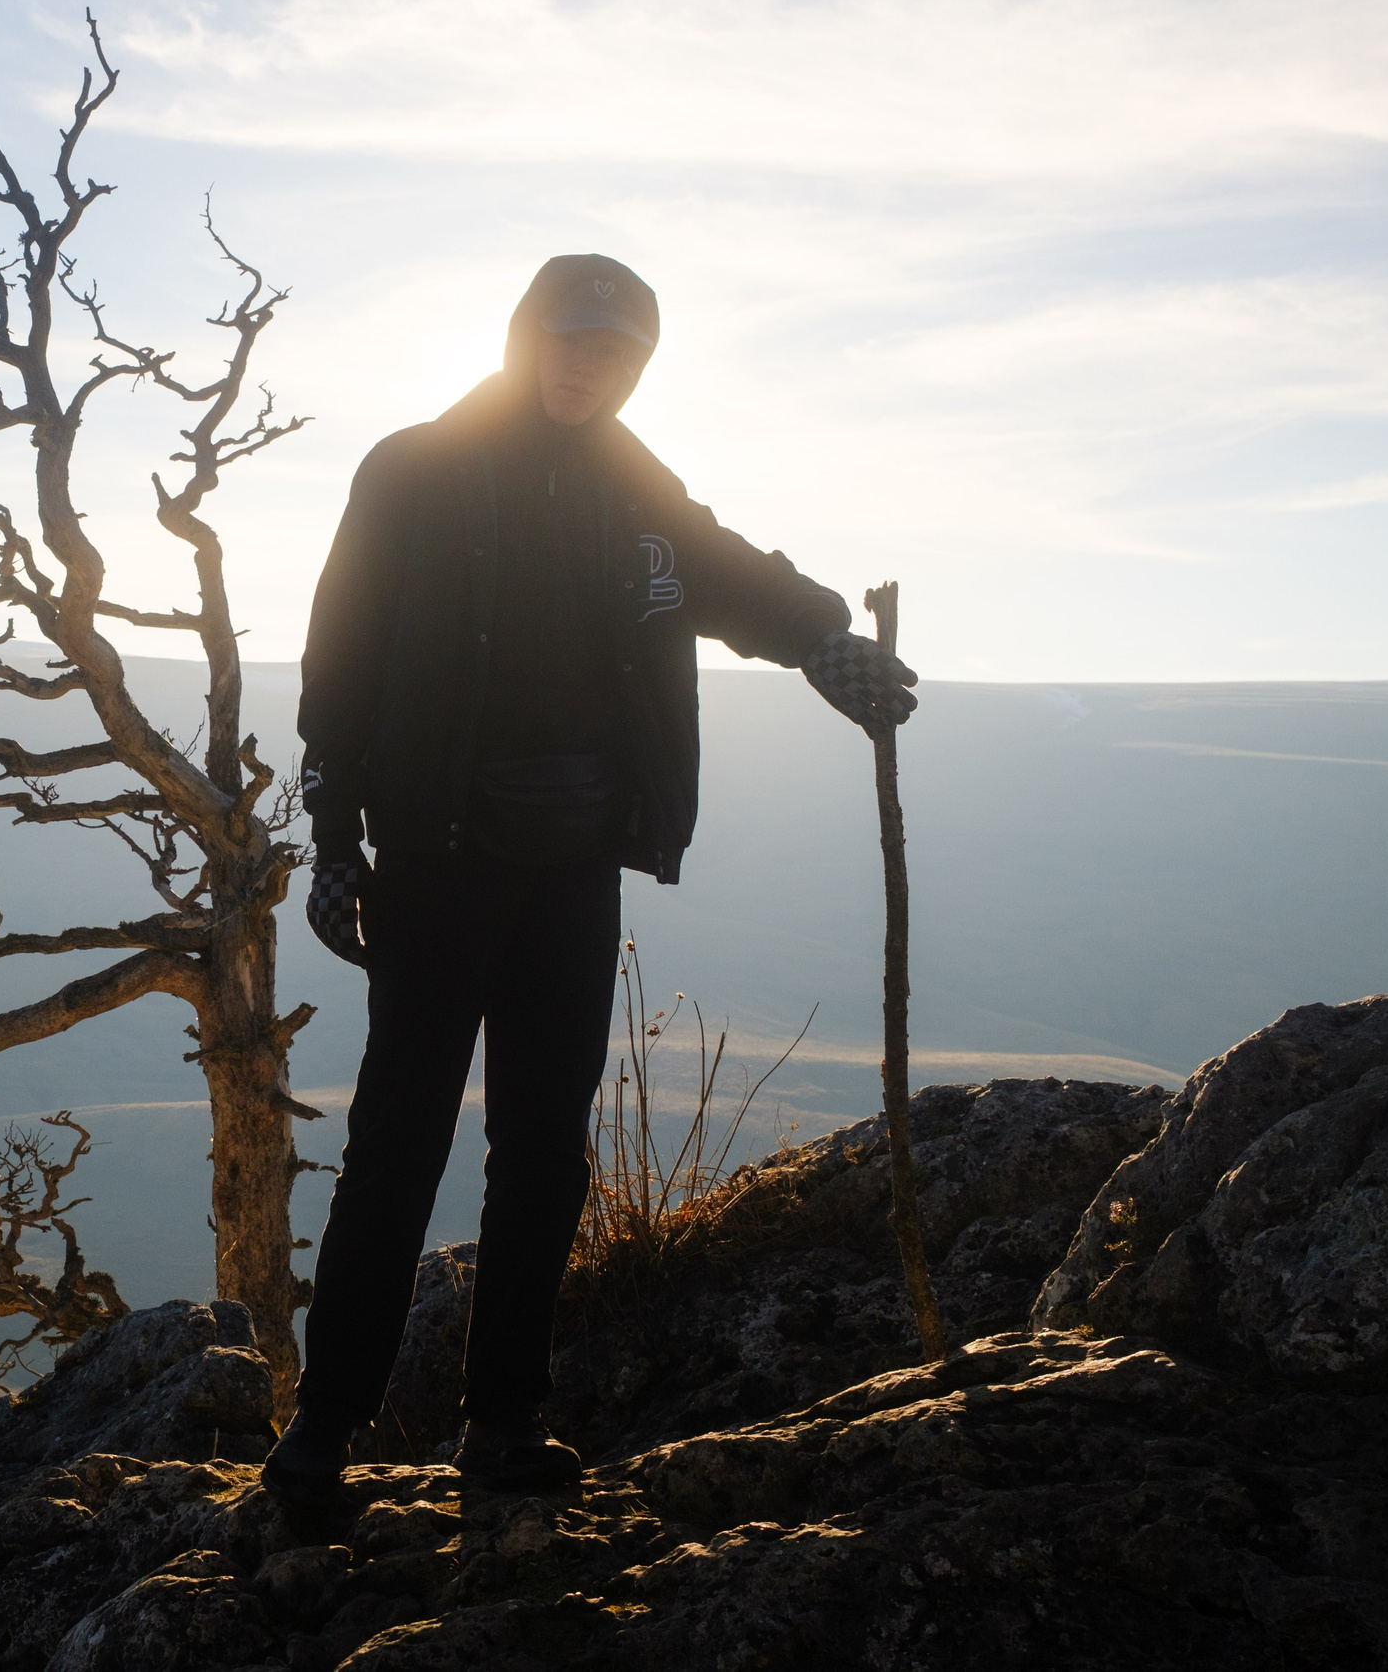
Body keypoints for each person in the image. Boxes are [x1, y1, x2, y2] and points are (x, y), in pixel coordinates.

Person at [265, 253, 917, 1504]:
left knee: (544, 1153)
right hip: (440, 864)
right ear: (524, 337)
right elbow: (336, 660)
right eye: (569, 341)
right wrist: (334, 837)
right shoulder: (413, 469)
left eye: (614, 353)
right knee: (395, 1147)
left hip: (571, 868)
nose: (587, 365)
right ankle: (324, 1431)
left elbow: (728, 575)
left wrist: (824, 640)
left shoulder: (634, 483)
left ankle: (502, 1419)